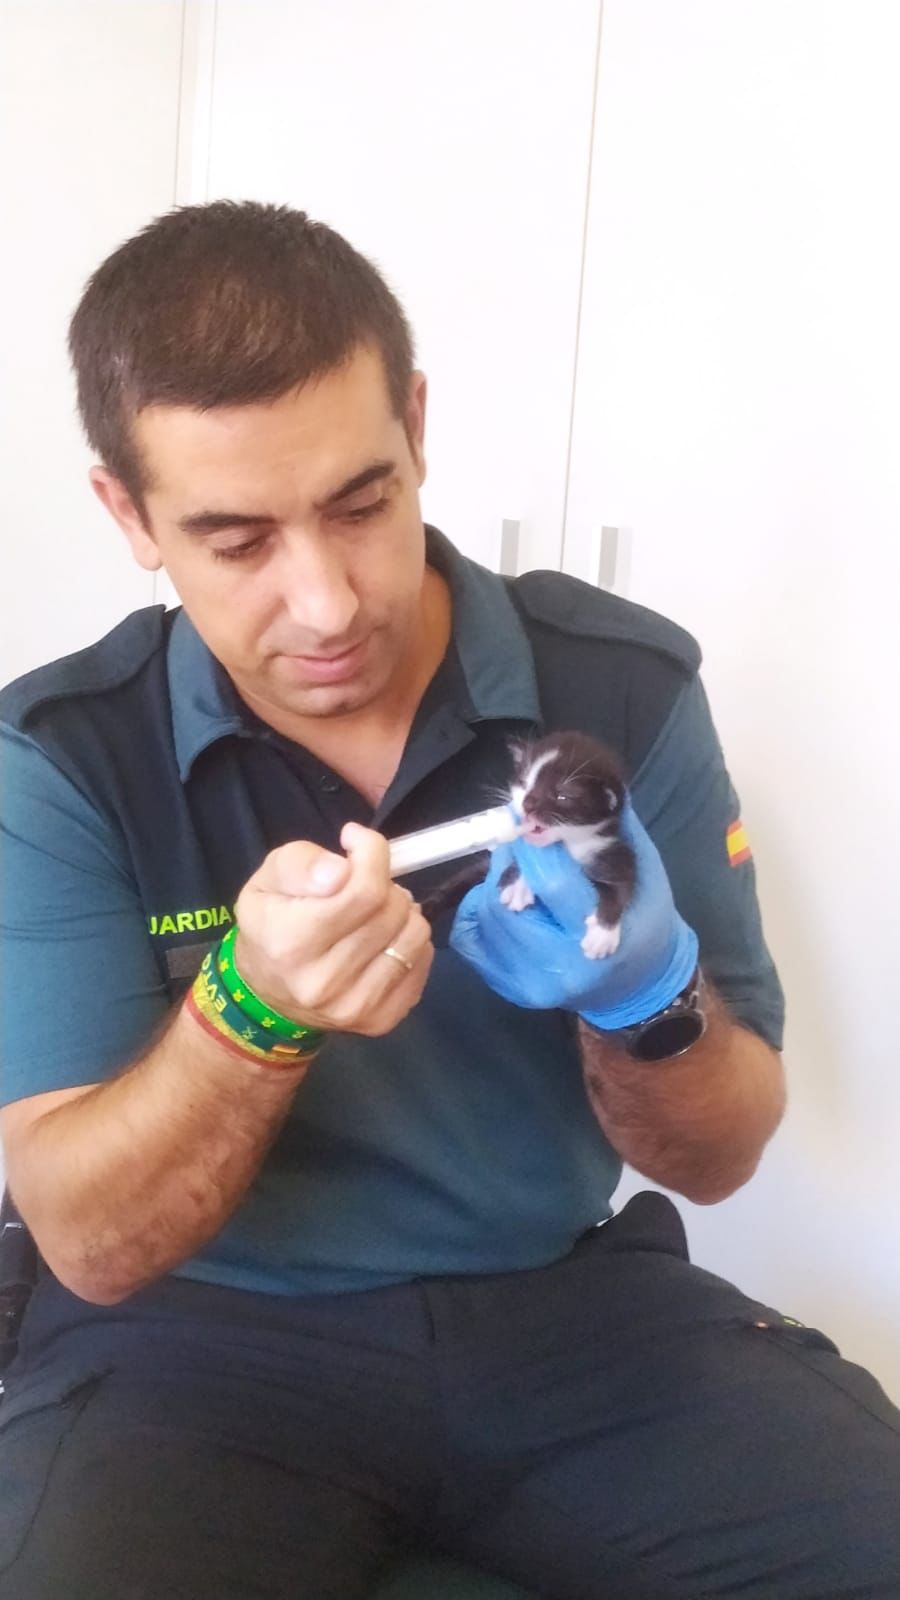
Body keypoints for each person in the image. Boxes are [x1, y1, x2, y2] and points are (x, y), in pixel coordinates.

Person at [0, 200, 897, 1600]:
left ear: (415, 425)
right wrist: (247, 1015)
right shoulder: (60, 757)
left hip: (565, 1312)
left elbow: (720, 1156)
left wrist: (646, 997)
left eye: (362, 503)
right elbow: (90, 1244)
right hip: (202, 1345)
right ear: (128, 515)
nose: (326, 604)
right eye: (237, 541)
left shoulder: (623, 689)